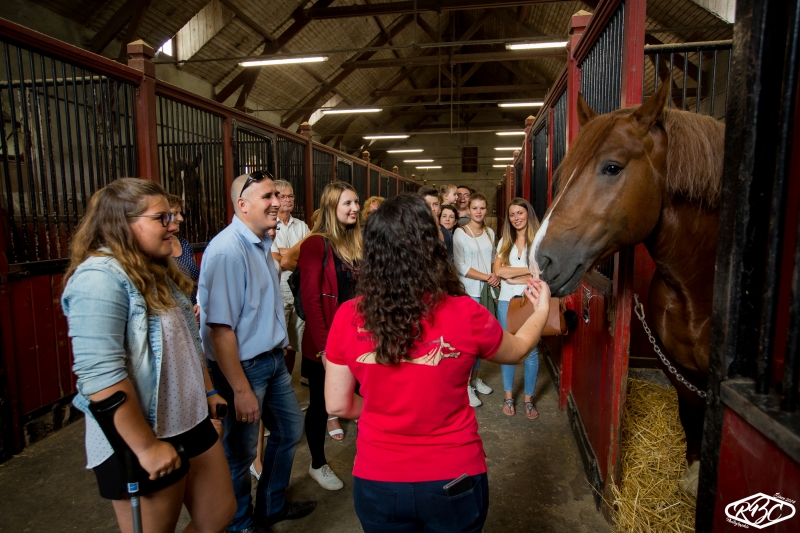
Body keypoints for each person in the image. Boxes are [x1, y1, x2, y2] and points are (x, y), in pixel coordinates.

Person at [324, 193, 551, 533]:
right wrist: (542, 309)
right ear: (431, 246)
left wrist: (385, 410)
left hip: (378, 477)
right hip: (453, 476)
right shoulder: (465, 312)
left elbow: (337, 403)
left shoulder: (347, 316)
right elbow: (518, 349)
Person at [61, 178, 235, 533]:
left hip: (189, 421)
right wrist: (145, 448)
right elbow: (100, 377)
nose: (174, 224)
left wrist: (208, 391)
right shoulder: (98, 278)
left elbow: (187, 338)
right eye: (162, 217)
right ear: (121, 223)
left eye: (172, 215)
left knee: (219, 512)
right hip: (144, 434)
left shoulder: (156, 269)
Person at [200, 170, 314, 532]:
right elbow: (220, 329)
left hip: (272, 359)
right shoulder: (227, 251)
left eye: (277, 197)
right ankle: (240, 523)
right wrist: (240, 389)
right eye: (267, 197)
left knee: (289, 429)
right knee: (241, 452)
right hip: (244, 367)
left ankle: (270, 506)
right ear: (242, 205)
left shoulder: (262, 242)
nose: (277, 203)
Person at [297, 182, 362, 491]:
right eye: (347, 203)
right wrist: (324, 350)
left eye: (356, 202)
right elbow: (311, 299)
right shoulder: (315, 244)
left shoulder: (357, 242)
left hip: (359, 340)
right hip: (327, 344)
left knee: (364, 397)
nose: (355, 208)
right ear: (332, 207)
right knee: (323, 406)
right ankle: (317, 464)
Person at [493, 198, 541, 419]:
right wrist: (525, 274)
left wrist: (514, 275)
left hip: (531, 300)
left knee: (531, 351)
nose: (516, 218)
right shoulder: (505, 240)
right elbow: (498, 272)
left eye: (520, 213)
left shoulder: (539, 240)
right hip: (505, 300)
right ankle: (508, 396)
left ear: (528, 214)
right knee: (508, 349)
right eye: (512, 214)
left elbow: (540, 275)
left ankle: (528, 399)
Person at [453, 193, 500, 407]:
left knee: (481, 340)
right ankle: (465, 386)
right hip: (470, 291)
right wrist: (487, 277)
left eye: (482, 208)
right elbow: (460, 266)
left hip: (487, 291)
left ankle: (475, 378)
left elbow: (493, 261)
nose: (478, 212)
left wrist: (495, 276)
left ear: (486, 210)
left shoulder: (490, 232)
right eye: (475, 208)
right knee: (469, 341)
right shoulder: (460, 233)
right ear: (469, 210)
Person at [269, 180, 309, 376]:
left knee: (294, 343)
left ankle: (290, 384)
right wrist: (295, 252)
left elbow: (308, 256)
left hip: (299, 289)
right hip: (279, 290)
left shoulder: (301, 225)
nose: (287, 200)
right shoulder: (269, 224)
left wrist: (285, 254)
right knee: (280, 341)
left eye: (290, 196)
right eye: (282, 196)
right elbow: (278, 261)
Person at [166, 194, 200, 310]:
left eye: (180, 213)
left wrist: (199, 304)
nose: (180, 218)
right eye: (175, 213)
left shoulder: (184, 244)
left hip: (192, 308)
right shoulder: (155, 248)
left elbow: (194, 280)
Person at [419, 186, 453, 260]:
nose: (432, 209)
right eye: (427, 205)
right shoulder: (414, 230)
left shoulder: (447, 234)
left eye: (435, 204)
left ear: (440, 208)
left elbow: (450, 260)